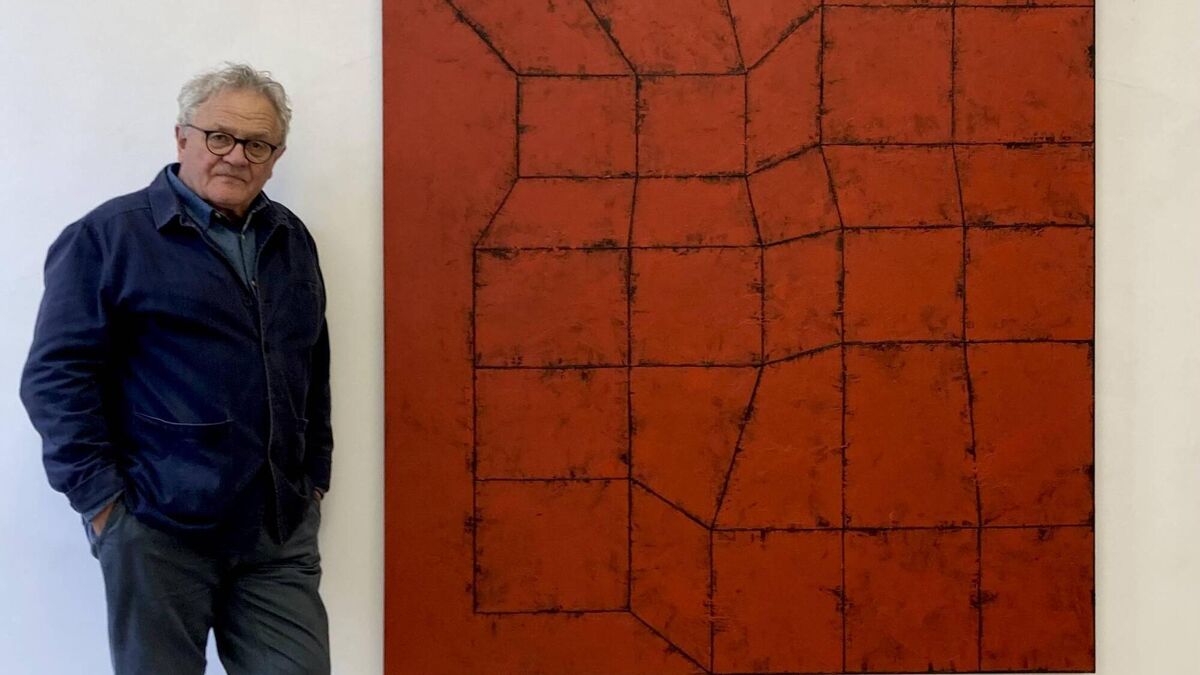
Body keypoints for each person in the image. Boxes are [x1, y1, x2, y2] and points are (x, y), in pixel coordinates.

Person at [20, 63, 332, 675]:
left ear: (276, 158)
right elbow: (56, 377)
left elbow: (311, 363)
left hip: (277, 528)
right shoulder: (109, 237)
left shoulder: (290, 239)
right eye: (220, 136)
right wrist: (105, 504)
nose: (236, 156)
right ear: (182, 137)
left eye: (258, 144)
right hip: (158, 528)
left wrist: (314, 476)